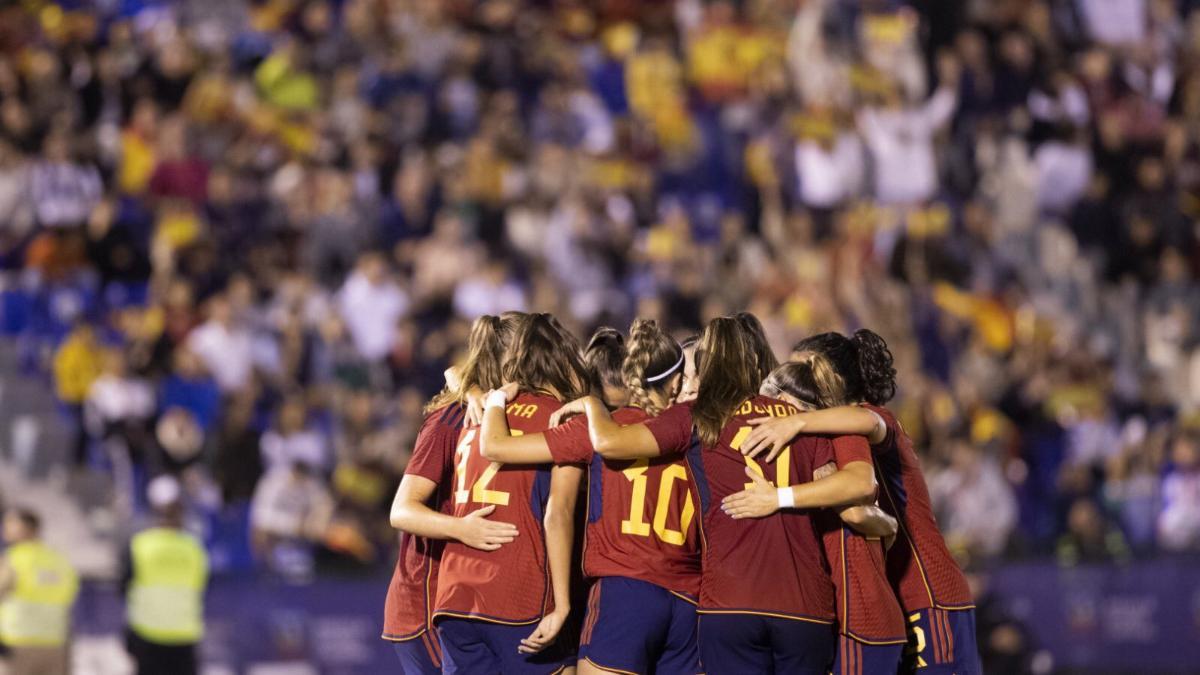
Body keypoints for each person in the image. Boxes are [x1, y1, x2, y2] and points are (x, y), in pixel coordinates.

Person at [564, 316, 884, 674]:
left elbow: (611, 443)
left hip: (728, 604)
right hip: (804, 607)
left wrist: (592, 405)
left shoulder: (700, 416)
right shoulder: (802, 417)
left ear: (705, 368)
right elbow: (854, 486)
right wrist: (783, 497)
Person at [733, 330, 981, 675]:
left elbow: (868, 427)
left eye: (800, 369)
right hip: (897, 593)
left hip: (926, 591)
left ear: (829, 376)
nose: (792, 379)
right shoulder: (827, 432)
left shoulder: (862, 420)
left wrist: (796, 421)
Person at [478, 318, 701, 675]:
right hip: (689, 599)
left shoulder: (592, 429)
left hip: (625, 593)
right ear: (675, 383)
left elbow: (495, 447)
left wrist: (490, 398)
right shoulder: (694, 426)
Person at [421, 313, 589, 673]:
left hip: (454, 597)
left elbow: (455, 374)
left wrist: (475, 391)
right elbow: (557, 515)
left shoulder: (475, 412)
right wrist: (563, 605)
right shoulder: (561, 418)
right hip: (518, 590)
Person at [385, 312, 525, 673]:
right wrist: (462, 528)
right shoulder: (450, 419)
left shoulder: (497, 410)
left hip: (463, 599)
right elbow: (401, 511)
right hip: (426, 603)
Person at [750, 359, 907, 674]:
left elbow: (856, 503)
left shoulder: (838, 434)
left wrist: (889, 524)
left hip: (860, 614)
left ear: (785, 402)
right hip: (825, 612)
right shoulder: (784, 442)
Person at [122, 476, 209, 675]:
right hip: (183, 634)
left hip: (148, 633)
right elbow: (202, 585)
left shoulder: (140, 545)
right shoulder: (194, 548)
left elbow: (123, 585)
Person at [0, 508, 79, 675]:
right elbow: (69, 600)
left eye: (10, 523)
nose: (4, 528)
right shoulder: (59, 559)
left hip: (17, 643)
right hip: (54, 642)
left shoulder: (13, 559)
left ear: (27, 529)